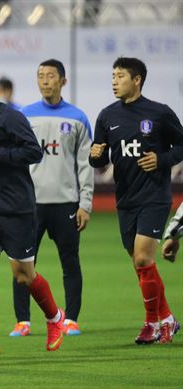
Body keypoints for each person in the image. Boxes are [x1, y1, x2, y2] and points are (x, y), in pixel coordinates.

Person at [0, 63, 66, 355]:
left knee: (23, 275)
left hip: (17, 209)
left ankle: (55, 318)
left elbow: (33, 152)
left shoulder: (12, 118)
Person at [90, 57, 182, 344]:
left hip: (154, 196)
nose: (114, 81)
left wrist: (162, 159)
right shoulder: (106, 116)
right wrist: (96, 156)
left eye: (120, 76)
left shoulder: (159, 113)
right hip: (126, 198)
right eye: (113, 76)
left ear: (137, 79)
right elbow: (102, 159)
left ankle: (151, 323)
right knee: (140, 263)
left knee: (143, 257)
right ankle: (167, 319)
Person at [10, 59, 93, 337]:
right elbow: (15, 159)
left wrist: (85, 204)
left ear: (63, 81)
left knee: (70, 261)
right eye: (40, 76)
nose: (45, 81)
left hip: (66, 202)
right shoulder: (24, 115)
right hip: (29, 204)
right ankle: (23, 321)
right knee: (23, 264)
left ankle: (71, 318)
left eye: (50, 76)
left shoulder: (78, 118)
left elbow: (85, 164)